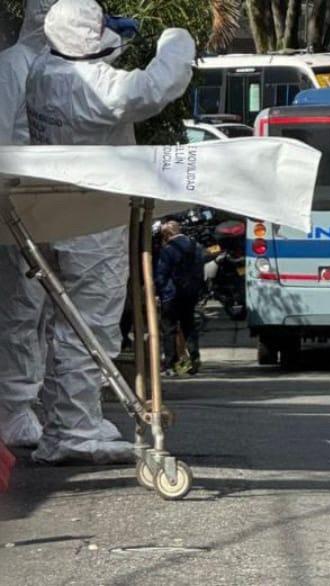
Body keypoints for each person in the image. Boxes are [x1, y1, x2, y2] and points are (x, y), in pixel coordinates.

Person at [25, 0, 195, 464]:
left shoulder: (42, 72)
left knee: (65, 326)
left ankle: (69, 421)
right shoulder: (99, 89)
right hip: (91, 225)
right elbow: (160, 84)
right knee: (90, 329)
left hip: (51, 214)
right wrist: (176, 39)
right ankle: (74, 430)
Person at [0, 0, 57, 448]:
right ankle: (13, 408)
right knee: (21, 308)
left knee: (44, 309)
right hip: (19, 201)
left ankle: (31, 403)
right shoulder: (14, 65)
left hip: (51, 202)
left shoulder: (57, 66)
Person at [155, 221, 204, 376]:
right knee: (188, 325)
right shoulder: (196, 247)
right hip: (190, 293)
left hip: (172, 294)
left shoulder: (168, 249)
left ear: (168, 234)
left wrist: (159, 292)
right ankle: (194, 359)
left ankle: (170, 364)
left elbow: (161, 274)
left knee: (169, 328)